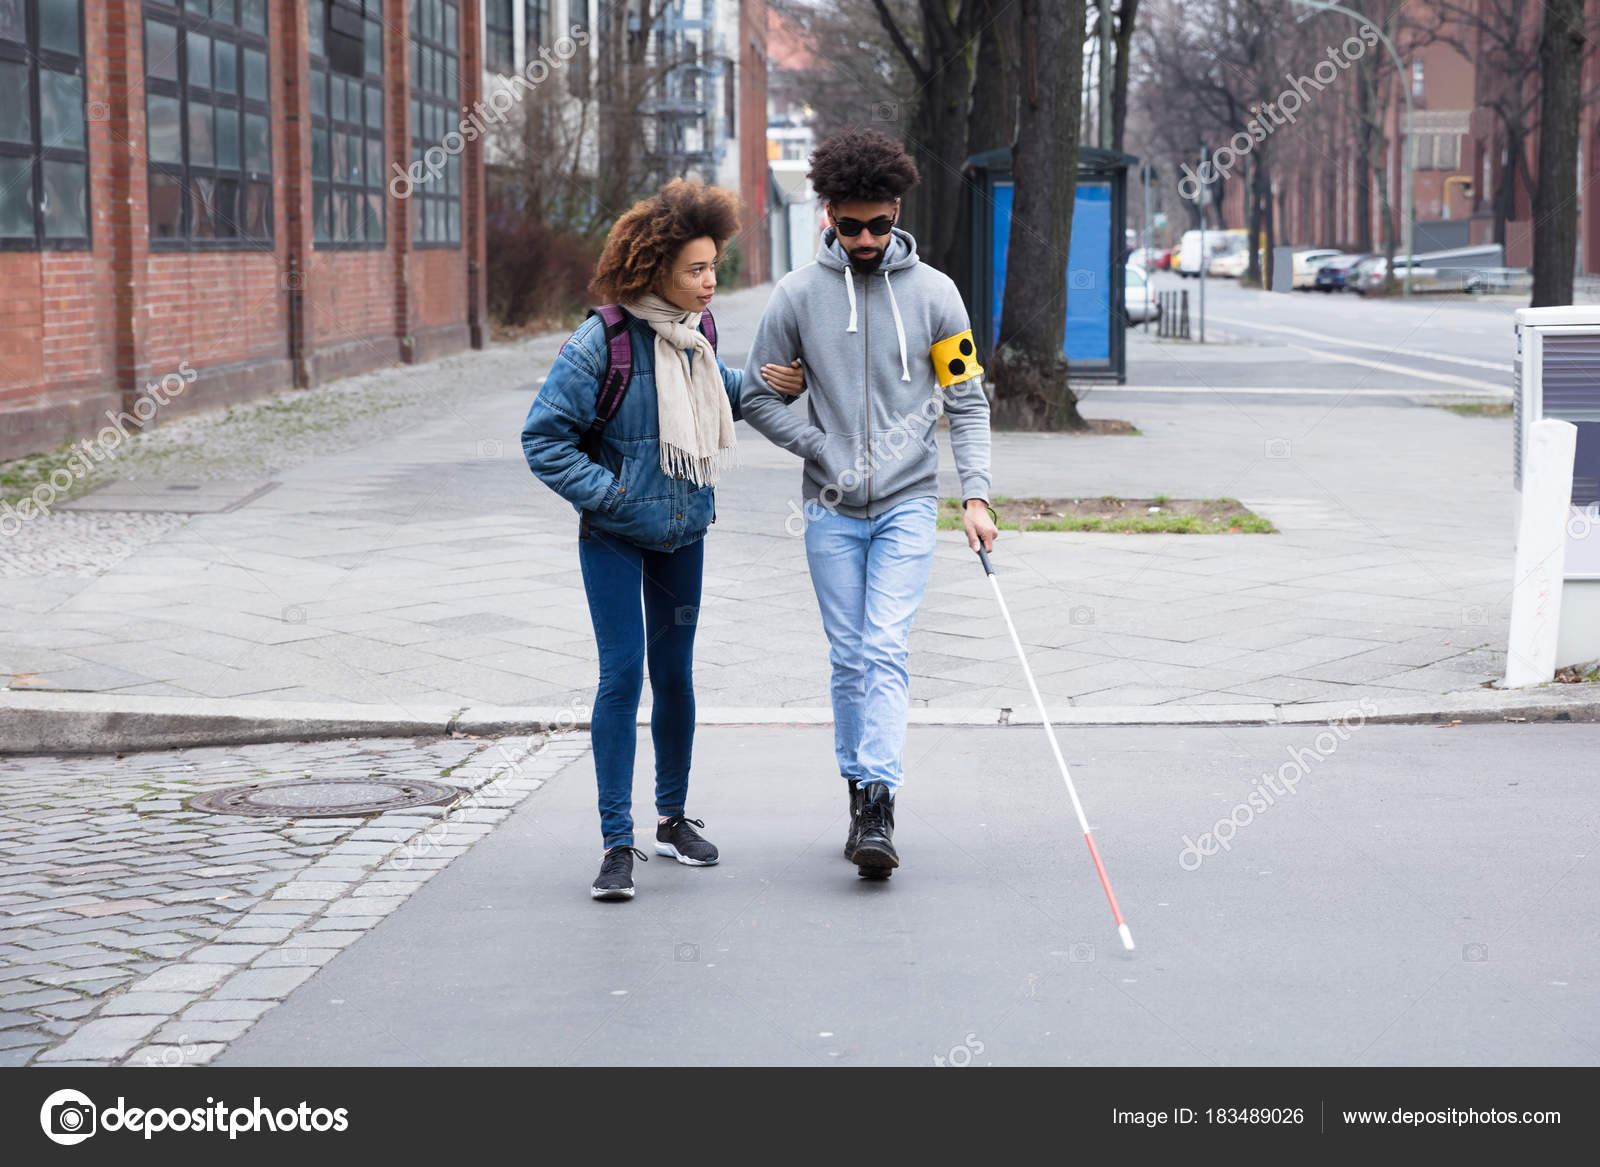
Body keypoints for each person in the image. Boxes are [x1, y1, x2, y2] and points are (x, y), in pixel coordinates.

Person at [521, 179, 805, 901]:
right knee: (622, 676)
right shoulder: (602, 342)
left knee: (674, 674)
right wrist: (612, 496)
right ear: (655, 271)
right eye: (696, 270)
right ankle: (616, 842)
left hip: (684, 530)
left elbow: (706, 391)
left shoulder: (697, 335)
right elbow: (543, 439)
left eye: (714, 266)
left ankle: (672, 817)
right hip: (615, 536)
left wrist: (768, 383)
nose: (712, 282)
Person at [741, 128, 999, 880]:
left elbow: (968, 401)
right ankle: (858, 789)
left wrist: (976, 494)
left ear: (896, 210)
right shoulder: (795, 296)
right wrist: (816, 445)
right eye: (847, 225)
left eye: (877, 224)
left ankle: (880, 800)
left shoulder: (936, 294)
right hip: (827, 507)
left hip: (909, 501)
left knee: (885, 646)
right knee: (849, 655)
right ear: (827, 214)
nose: (863, 239)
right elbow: (757, 397)